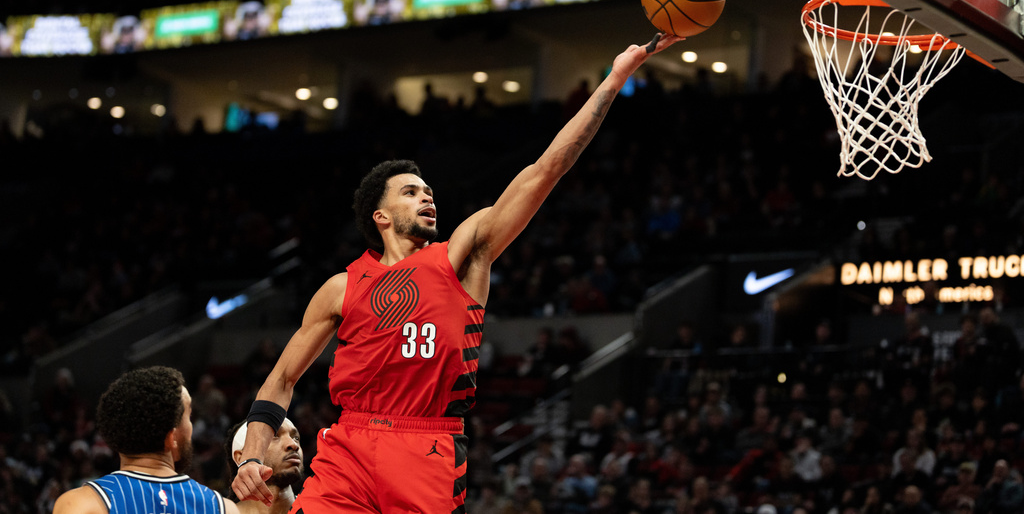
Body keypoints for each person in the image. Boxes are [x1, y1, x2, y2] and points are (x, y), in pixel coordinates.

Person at [231, 33, 683, 512]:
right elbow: (280, 380)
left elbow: (545, 170)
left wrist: (613, 81)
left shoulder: (463, 255)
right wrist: (250, 459)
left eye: (428, 190)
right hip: (350, 445)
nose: (427, 196)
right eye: (409, 192)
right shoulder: (340, 288)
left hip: (427, 446)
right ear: (379, 217)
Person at [53, 365, 239, 514]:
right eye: (189, 417)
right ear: (172, 437)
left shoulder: (80, 505)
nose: (191, 428)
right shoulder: (223, 508)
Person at [224, 419, 303, 514]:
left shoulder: (320, 508)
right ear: (241, 458)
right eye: (274, 436)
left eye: (296, 438)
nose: (293, 444)